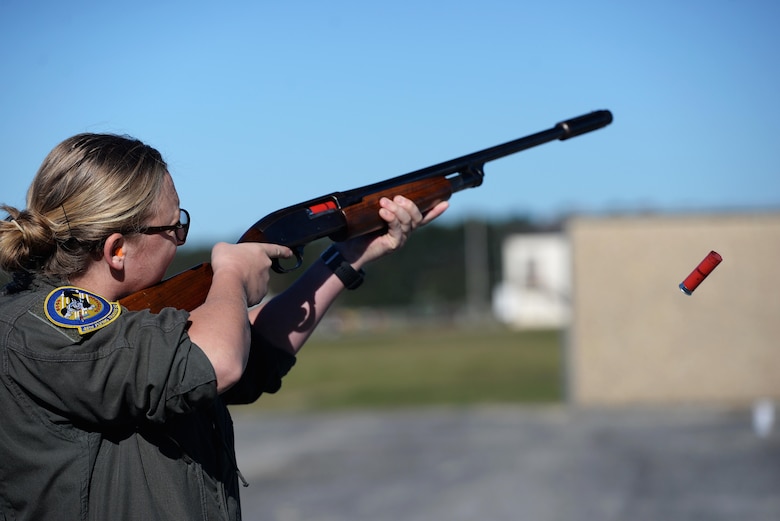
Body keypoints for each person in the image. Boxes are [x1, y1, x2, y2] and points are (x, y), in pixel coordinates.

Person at [0, 133, 448, 520]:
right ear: (118, 249)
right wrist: (230, 275)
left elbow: (255, 351)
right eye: (174, 228)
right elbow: (216, 361)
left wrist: (349, 257)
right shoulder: (42, 328)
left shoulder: (132, 323)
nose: (180, 240)